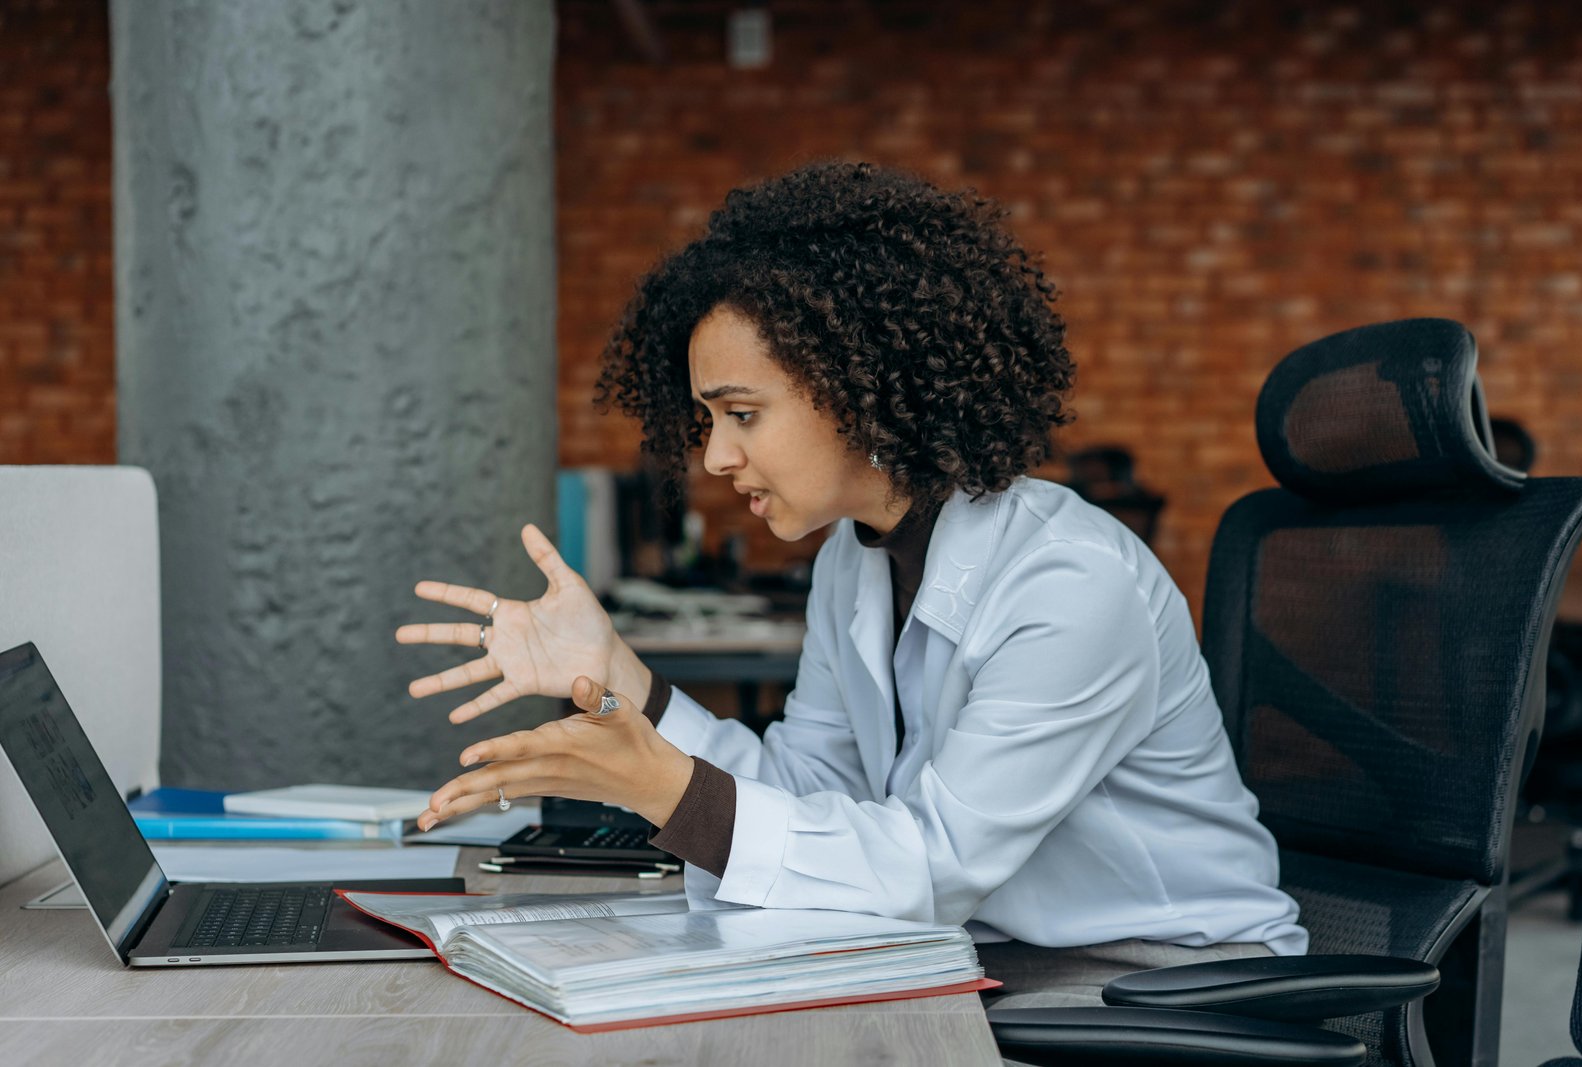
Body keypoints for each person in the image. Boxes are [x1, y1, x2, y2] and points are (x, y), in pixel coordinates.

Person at [397, 161, 1306, 1007]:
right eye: (709, 419)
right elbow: (811, 788)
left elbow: (934, 864)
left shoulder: (1070, 582)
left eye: (743, 414)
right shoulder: (854, 554)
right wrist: (621, 674)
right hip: (995, 957)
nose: (716, 456)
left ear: (860, 389)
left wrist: (668, 790)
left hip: (1169, 986)